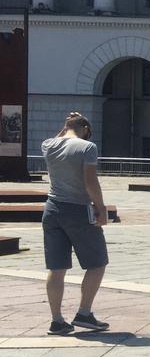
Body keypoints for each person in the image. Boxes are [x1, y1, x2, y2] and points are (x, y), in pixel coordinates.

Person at [41, 112, 110, 335]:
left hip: (51, 209)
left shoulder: (48, 145)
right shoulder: (87, 147)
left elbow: (61, 136)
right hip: (78, 209)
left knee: (56, 268)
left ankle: (57, 320)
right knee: (97, 263)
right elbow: (90, 181)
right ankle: (84, 313)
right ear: (86, 130)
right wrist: (101, 207)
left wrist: (68, 124)